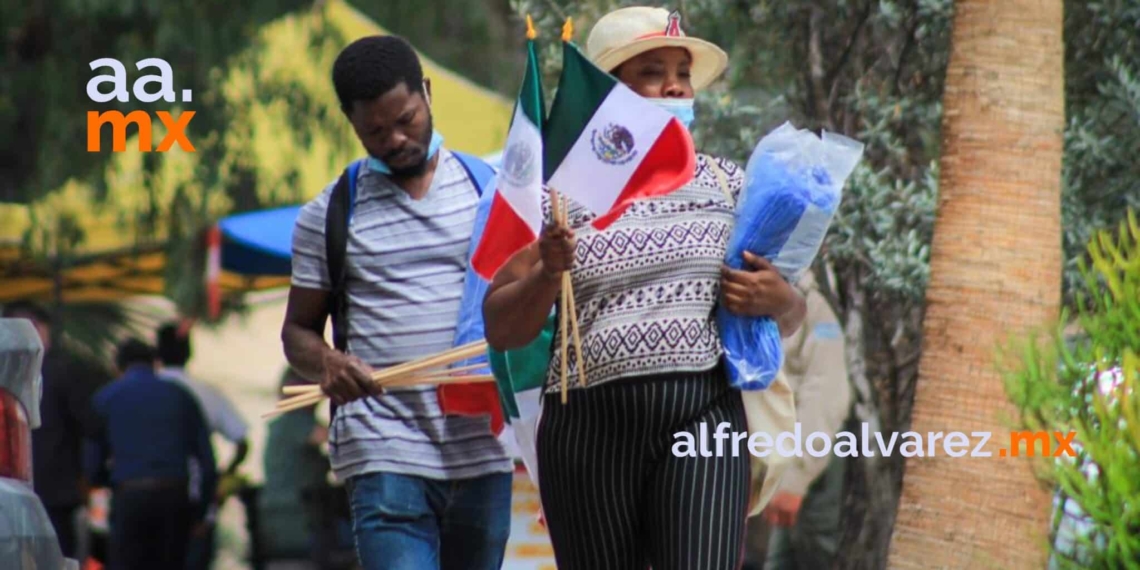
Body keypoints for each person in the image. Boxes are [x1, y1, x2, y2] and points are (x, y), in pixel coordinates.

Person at [483, 7, 807, 569]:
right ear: (608, 93)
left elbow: (789, 310)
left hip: (702, 415)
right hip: (586, 430)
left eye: (681, 71)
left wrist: (778, 300)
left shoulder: (730, 184)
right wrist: (544, 272)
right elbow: (501, 328)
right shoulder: (556, 195)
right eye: (653, 72)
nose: (676, 84)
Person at [280, 35, 512, 570]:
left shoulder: (491, 191)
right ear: (351, 122)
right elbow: (297, 331)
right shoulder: (330, 213)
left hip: (483, 446)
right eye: (375, 132)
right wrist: (329, 363)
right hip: (382, 445)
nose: (396, 140)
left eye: (405, 119)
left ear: (427, 93)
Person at [85, 338, 217, 570]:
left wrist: (109, 481)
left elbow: (92, 464)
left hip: (130, 497)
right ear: (156, 364)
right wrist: (201, 511)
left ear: (118, 367)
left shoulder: (105, 398)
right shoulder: (181, 396)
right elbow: (207, 462)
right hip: (174, 497)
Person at [752, 274, 852, 570]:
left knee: (813, 553)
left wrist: (796, 479)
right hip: (777, 460)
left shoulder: (814, 303)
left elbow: (827, 392)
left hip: (811, 456)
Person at [2, 301, 108, 559]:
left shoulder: (8, 378)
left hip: (13, 492)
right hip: (54, 491)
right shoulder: (61, 371)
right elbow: (92, 425)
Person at [155, 321, 250, 570]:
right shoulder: (207, 392)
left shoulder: (146, 391)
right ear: (189, 353)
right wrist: (224, 476)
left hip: (151, 497)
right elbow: (242, 442)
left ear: (158, 354)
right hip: (198, 499)